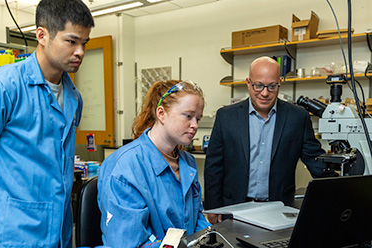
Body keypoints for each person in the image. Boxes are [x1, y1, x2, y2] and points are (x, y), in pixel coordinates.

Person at [0, 0, 94, 247]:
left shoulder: (73, 96)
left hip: (59, 229)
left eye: (84, 43)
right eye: (71, 41)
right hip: (12, 229)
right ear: (42, 35)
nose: (80, 52)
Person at [204, 56, 329, 224]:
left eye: (272, 86)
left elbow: (315, 161)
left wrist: (339, 188)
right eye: (258, 85)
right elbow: (214, 166)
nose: (264, 93)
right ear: (248, 82)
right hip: (234, 207)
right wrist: (213, 207)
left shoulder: (297, 117)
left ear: (280, 83)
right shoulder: (226, 116)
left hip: (279, 208)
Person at [98, 80, 210, 247]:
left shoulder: (188, 162)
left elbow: (197, 218)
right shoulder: (125, 167)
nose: (195, 125)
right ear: (161, 113)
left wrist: (210, 238)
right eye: (188, 116)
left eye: (198, 118)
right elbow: (128, 242)